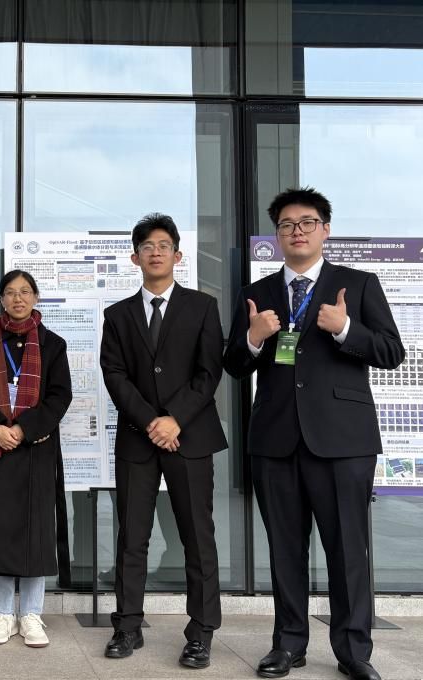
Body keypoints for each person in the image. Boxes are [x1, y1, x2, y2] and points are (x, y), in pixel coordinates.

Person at [223, 188, 404, 680]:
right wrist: (253, 337)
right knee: (284, 549)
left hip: (343, 441)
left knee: (348, 550)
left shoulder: (358, 284)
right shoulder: (257, 292)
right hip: (275, 440)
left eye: (307, 222)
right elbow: (234, 364)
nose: (297, 231)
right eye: (287, 224)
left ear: (325, 229)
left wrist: (346, 329)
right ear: (276, 235)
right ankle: (288, 645)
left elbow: (392, 352)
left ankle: (353, 652)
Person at [100, 213, 227, 668]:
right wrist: (152, 421)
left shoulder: (203, 307)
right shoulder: (117, 315)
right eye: (147, 246)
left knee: (197, 536)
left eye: (163, 245)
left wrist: (175, 420)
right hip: (138, 439)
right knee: (132, 537)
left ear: (178, 255)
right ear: (135, 257)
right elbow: (114, 374)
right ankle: (127, 626)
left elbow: (209, 372)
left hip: (190, 437)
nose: (155, 252)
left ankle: (201, 633)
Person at [0, 270, 72, 648]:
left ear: (36, 297)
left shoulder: (53, 344)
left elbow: (59, 396)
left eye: (25, 292)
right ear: (2, 299)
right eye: (10, 293)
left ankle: (31, 615)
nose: (18, 299)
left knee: (35, 534)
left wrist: (24, 429)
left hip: (35, 450)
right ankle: (3, 614)